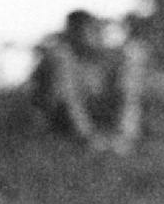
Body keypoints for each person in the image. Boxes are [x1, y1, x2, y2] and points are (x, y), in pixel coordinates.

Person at [29, 10, 149, 154]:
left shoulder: (113, 55)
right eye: (89, 30)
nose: (97, 35)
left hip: (96, 113)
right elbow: (69, 98)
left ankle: (124, 134)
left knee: (134, 57)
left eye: (96, 30)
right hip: (63, 117)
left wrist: (126, 134)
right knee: (66, 74)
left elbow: (129, 93)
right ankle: (96, 137)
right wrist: (88, 136)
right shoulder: (62, 55)